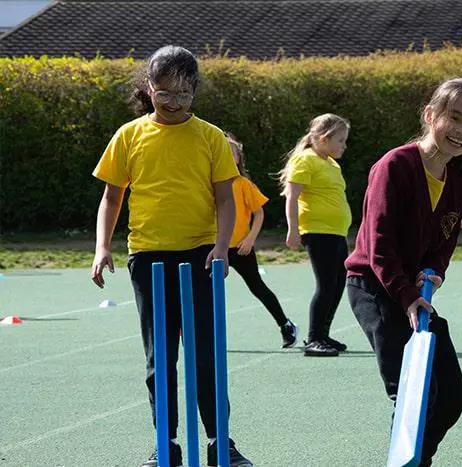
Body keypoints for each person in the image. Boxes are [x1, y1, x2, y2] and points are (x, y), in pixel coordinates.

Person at [90, 45, 253, 466]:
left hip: (200, 254)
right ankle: (167, 444)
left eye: (183, 93)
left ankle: (222, 442)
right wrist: (102, 247)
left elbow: (224, 199)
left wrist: (222, 246)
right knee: (159, 357)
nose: (174, 102)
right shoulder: (129, 135)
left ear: (194, 90)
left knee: (206, 354)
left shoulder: (210, 137)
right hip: (148, 256)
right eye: (165, 93)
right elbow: (112, 197)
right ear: (149, 88)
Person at [345, 78, 462, 465]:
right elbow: (378, 244)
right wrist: (407, 295)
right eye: (454, 117)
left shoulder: (458, 173)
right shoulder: (395, 165)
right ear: (430, 115)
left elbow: (445, 237)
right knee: (412, 393)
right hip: (375, 286)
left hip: (411, 290)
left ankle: (414, 460)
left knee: (452, 395)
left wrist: (434, 269)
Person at [279, 114, 352, 357]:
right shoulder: (305, 160)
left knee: (338, 283)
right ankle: (314, 339)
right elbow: (292, 197)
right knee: (326, 285)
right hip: (318, 232)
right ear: (323, 138)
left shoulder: (331, 163)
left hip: (336, 233)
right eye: (340, 140)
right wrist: (293, 230)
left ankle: (323, 333)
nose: (344, 145)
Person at [225, 132, 299, 348]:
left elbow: (259, 213)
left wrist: (249, 239)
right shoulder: (209, 184)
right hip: (214, 248)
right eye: (224, 153)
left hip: (241, 248)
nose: (229, 158)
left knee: (257, 287)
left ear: (239, 159)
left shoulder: (243, 184)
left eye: (233, 154)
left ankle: (285, 325)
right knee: (205, 293)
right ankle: (201, 334)